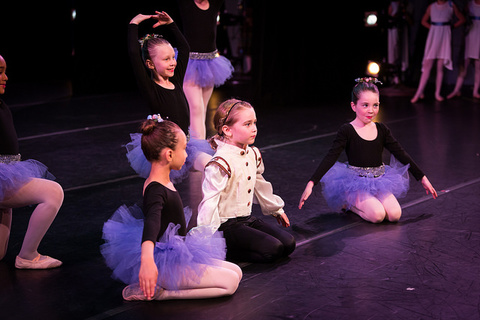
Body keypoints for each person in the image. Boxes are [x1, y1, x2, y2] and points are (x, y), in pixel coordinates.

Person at [101, 117, 241, 301]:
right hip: (167, 265)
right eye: (184, 149)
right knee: (230, 283)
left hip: (180, 252)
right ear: (168, 155)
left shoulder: (162, 179)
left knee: (236, 272)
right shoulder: (155, 190)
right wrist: (147, 261)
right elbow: (152, 222)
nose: (186, 155)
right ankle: (163, 294)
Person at [299, 78, 437, 223]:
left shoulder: (381, 129)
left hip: (379, 181)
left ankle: (367, 202)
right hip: (356, 183)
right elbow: (331, 157)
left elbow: (400, 153)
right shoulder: (347, 130)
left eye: (375, 105)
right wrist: (311, 183)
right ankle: (349, 203)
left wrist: (422, 177)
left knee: (395, 215)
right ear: (354, 106)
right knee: (377, 216)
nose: (371, 110)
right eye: (365, 105)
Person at [197, 99, 295, 263]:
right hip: (226, 226)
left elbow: (259, 184)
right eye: (247, 124)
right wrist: (205, 240)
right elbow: (209, 201)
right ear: (227, 130)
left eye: (254, 123)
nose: (254, 129)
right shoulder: (220, 163)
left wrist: (276, 209)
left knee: (288, 243)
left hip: (246, 219)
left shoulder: (252, 153)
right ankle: (224, 252)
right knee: (274, 249)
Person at [126, 11, 214, 183]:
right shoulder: (150, 88)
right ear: (150, 64)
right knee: (163, 187)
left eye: (173, 57)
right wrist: (134, 23)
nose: (173, 62)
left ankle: (209, 209)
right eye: (166, 59)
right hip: (165, 150)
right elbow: (133, 53)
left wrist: (171, 23)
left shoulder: (177, 79)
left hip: (187, 145)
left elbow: (185, 48)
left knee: (211, 166)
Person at [0, 55, 64, 269]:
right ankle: (28, 255)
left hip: (8, 172)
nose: (6, 77)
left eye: (5, 71)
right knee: (53, 192)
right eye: (0, 71)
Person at [178, 0, 234, 140]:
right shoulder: (187, 5)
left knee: (202, 109)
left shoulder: (214, 4)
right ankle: (198, 148)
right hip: (190, 63)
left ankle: (197, 144)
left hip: (210, 63)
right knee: (196, 107)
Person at [411, 0, 465, 103]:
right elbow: (423, 21)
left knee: (440, 66)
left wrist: (451, 27)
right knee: (427, 65)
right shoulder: (432, 6)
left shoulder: (450, 5)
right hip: (434, 36)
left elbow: (462, 19)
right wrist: (434, 28)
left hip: (445, 36)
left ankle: (437, 93)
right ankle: (418, 93)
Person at [447, 0, 480, 99]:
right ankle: (456, 90)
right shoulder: (470, 4)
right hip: (470, 34)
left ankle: (475, 91)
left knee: (478, 66)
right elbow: (463, 16)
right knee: (464, 64)